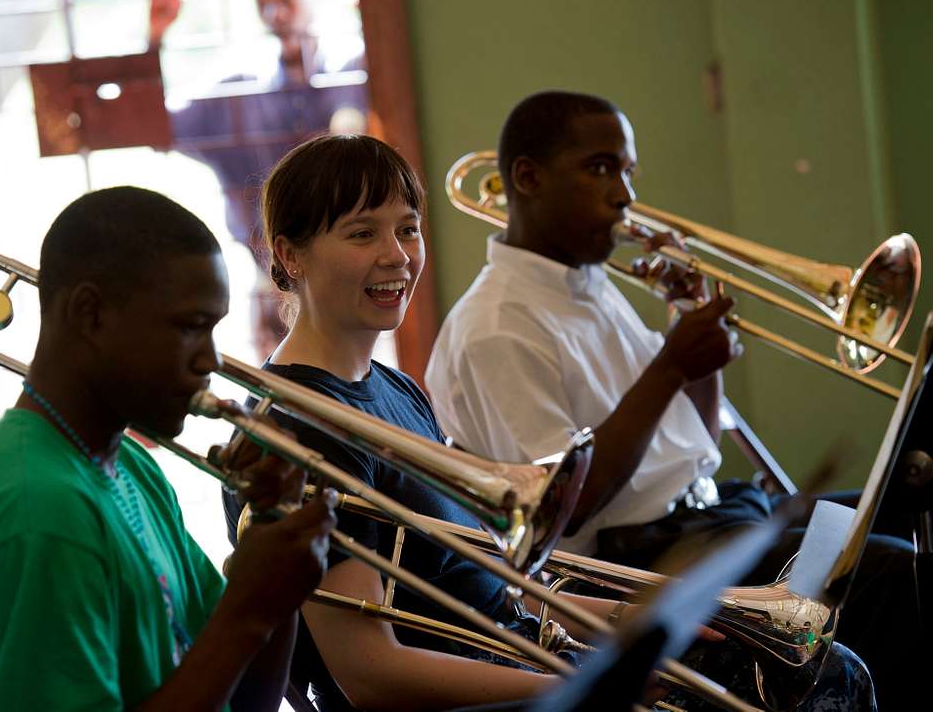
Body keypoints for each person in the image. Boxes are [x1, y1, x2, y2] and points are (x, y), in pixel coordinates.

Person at [220, 134, 874, 711]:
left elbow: (495, 588)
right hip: (499, 690)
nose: (397, 255)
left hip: (524, 660)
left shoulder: (392, 389)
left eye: (408, 228)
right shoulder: (299, 432)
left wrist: (643, 620)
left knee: (816, 663)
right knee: (811, 685)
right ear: (291, 255)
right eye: (363, 233)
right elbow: (370, 676)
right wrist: (582, 680)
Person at [424, 89, 921, 708]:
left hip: (711, 515)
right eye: (601, 168)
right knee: (896, 578)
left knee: (903, 505)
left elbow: (695, 444)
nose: (625, 197)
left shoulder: (589, 282)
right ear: (527, 178)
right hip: (645, 563)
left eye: (627, 171)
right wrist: (669, 364)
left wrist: (690, 335)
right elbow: (564, 510)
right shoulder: (494, 327)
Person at [0, 186, 336, 711]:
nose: (210, 361)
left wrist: (275, 547)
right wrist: (248, 611)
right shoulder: (38, 507)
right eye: (191, 327)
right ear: (91, 314)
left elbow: (248, 700)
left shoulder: (132, 466)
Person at [149, 0, 369, 359]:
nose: (275, 15)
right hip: (271, 291)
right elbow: (151, 126)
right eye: (262, 2)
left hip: (358, 282)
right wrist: (155, 38)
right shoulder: (236, 96)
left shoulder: (353, 77)